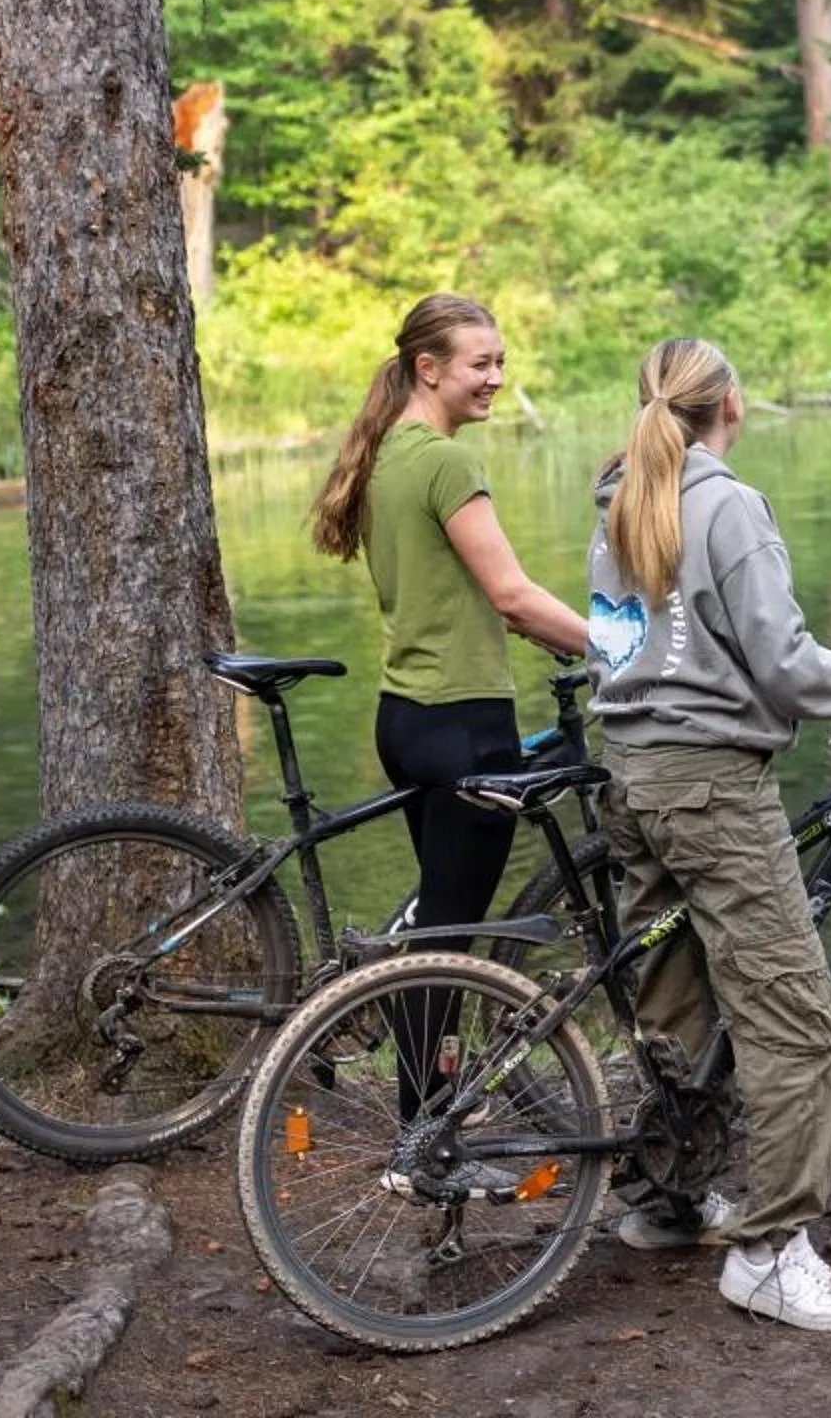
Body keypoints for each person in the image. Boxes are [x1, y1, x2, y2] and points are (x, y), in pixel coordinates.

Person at [584, 336, 831, 1334]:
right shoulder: (728, 506)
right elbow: (789, 669)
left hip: (633, 778)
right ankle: (771, 1252)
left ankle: (668, 1200)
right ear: (731, 407)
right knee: (794, 1021)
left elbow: (615, 650)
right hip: (711, 788)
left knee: (675, 997)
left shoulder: (617, 501)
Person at [310, 294, 589, 1084]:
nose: (495, 377)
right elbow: (513, 596)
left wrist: (557, 634)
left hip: (406, 717)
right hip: (463, 722)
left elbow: (471, 598)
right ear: (427, 369)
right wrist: (622, 651)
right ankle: (424, 1124)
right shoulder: (446, 463)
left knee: (436, 928)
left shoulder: (386, 455)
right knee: (447, 945)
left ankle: (423, 1104)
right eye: (480, 363)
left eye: (501, 362)